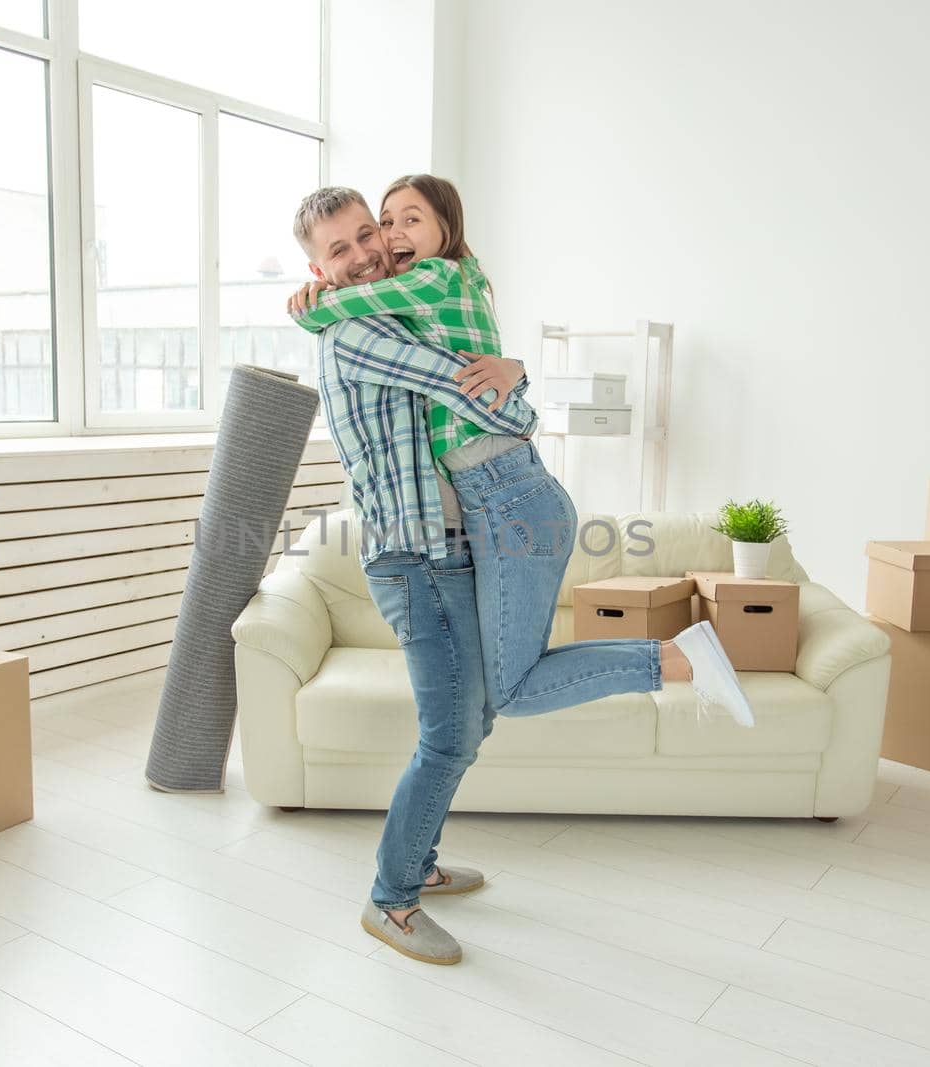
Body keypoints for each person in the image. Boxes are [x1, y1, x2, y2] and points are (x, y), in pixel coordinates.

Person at [290, 185, 749, 967]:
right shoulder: (355, 335)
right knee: (452, 733)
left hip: (454, 546)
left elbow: (481, 371)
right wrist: (512, 385)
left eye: (368, 233)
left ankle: (418, 865)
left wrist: (514, 366)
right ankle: (390, 900)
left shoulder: (388, 308)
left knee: (473, 720)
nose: (365, 252)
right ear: (316, 268)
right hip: (414, 557)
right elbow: (500, 411)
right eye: (340, 250)